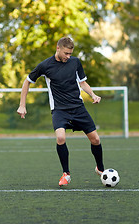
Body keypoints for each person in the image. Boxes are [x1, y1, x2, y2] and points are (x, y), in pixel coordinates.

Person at [16, 37, 104, 186]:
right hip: (59, 110)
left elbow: (82, 82)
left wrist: (93, 95)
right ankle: (66, 174)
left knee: (95, 139)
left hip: (78, 107)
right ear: (58, 48)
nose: (68, 57)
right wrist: (22, 105)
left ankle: (100, 169)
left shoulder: (75, 62)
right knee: (60, 138)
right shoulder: (45, 65)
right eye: (66, 53)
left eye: (70, 54)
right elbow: (27, 82)